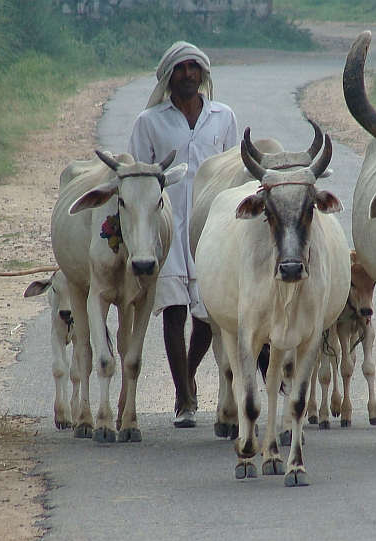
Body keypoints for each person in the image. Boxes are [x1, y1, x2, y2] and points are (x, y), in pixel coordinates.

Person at [128, 41, 239, 428]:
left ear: (203, 75)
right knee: (174, 309)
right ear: (168, 77)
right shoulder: (149, 122)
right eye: (180, 69)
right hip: (165, 226)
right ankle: (185, 398)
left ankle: (188, 375)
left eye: (194, 68)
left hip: (212, 225)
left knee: (209, 313)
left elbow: (234, 171)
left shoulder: (223, 117)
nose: (187, 74)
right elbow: (137, 182)